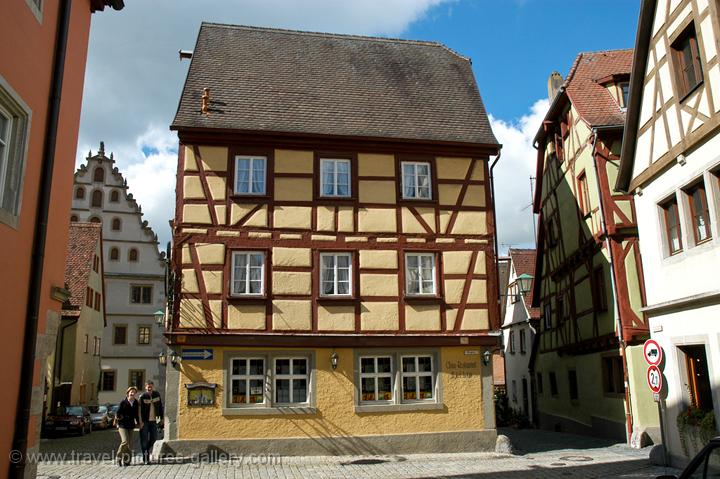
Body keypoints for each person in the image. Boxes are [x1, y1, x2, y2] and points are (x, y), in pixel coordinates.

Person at [138, 380, 164, 464]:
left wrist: (162, 418)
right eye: (148, 387)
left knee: (154, 438)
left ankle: (146, 450)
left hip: (154, 421)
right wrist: (140, 421)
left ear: (153, 386)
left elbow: (160, 407)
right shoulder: (142, 396)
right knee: (144, 440)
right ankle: (146, 459)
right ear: (145, 387)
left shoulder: (157, 394)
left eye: (151, 386)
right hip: (145, 422)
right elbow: (139, 411)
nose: (149, 388)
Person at [116, 386, 142, 466]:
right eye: (131, 392)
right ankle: (118, 457)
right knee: (125, 441)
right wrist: (121, 417)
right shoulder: (123, 402)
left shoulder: (136, 402)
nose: (132, 393)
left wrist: (138, 423)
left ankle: (126, 461)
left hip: (131, 425)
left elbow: (137, 415)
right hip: (122, 425)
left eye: (134, 392)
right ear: (128, 393)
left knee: (129, 444)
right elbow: (118, 413)